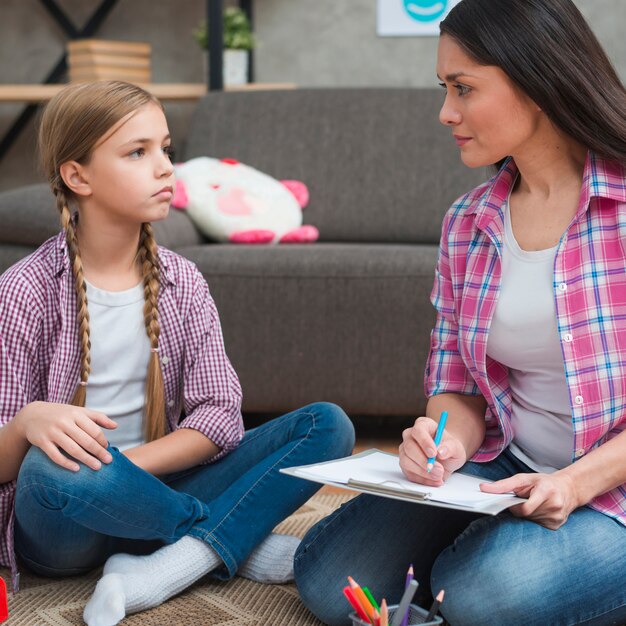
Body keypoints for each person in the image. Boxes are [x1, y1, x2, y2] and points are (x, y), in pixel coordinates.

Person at [293, 1, 626, 624]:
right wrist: (442, 445)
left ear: (536, 79)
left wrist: (576, 484)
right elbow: (458, 386)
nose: (446, 112)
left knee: (478, 597)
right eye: (445, 88)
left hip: (612, 483)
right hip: (512, 463)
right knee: (328, 578)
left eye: (463, 88)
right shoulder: (469, 222)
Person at [0, 80, 355, 626]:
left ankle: (174, 548)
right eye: (138, 152)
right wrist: (28, 422)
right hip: (65, 526)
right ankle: (217, 537)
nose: (166, 167)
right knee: (51, 468)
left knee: (327, 426)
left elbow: (219, 418)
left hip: (149, 487)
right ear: (78, 175)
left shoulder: (182, 281)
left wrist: (123, 473)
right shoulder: (24, 290)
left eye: (166, 148)